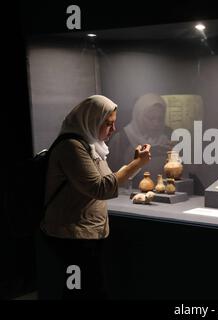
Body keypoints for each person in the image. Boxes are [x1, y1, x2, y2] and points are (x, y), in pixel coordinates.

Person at [40, 95, 151, 299]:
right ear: (91, 121)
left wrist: (135, 163)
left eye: (114, 123)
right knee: (77, 292)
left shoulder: (92, 146)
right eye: (108, 124)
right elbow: (101, 188)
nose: (114, 129)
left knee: (89, 290)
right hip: (71, 237)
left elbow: (108, 181)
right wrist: (138, 164)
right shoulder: (72, 147)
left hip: (86, 236)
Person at [107, 93, 173, 187]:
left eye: (160, 118)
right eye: (151, 118)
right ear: (139, 116)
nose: (156, 123)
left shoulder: (168, 134)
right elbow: (111, 172)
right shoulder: (122, 139)